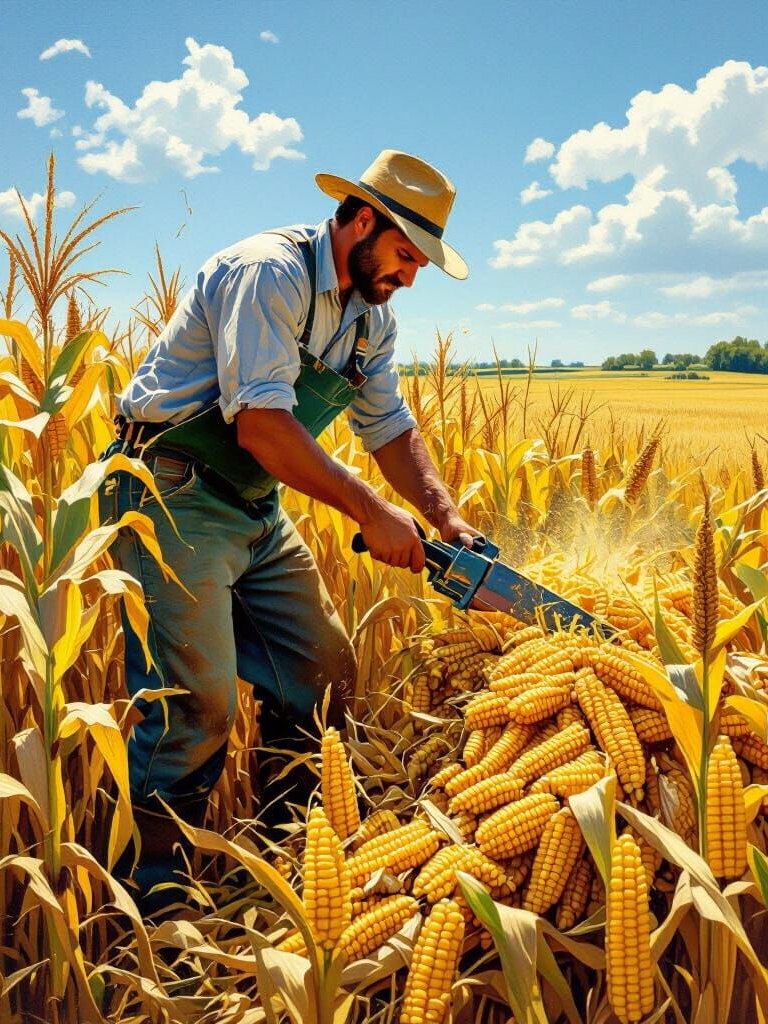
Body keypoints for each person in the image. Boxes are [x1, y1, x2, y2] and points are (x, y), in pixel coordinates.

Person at [100, 150, 477, 919]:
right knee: (195, 708)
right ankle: (149, 914)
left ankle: (273, 874)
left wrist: (445, 518)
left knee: (325, 679)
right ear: (361, 221)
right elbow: (265, 428)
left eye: (420, 265)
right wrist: (372, 512)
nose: (409, 276)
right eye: (406, 255)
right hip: (168, 492)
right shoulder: (267, 273)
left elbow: (390, 427)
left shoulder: (372, 319)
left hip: (251, 506)